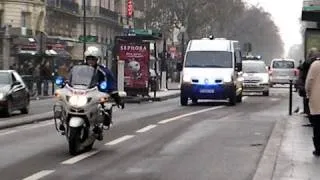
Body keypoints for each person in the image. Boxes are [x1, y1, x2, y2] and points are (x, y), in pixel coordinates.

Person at [83, 46, 124, 128]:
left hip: (96, 96)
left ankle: (101, 123)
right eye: (89, 59)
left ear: (97, 60)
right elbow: (72, 78)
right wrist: (66, 83)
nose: (90, 61)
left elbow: (111, 83)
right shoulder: (81, 69)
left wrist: (117, 98)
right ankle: (63, 120)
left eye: (93, 59)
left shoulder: (103, 71)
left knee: (103, 107)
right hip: (82, 94)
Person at [297, 48, 319, 117]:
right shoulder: (315, 63)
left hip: (306, 85)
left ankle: (309, 114)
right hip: (312, 87)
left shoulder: (306, 63)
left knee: (307, 102)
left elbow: (302, 76)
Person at [305, 56, 320, 156]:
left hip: (317, 100)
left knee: (317, 126)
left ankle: (318, 148)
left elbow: (309, 83)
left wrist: (308, 94)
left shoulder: (315, 65)